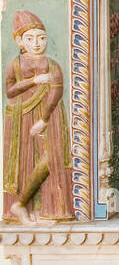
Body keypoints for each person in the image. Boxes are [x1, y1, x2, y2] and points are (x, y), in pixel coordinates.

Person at [3, 11, 74, 223]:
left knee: (53, 156)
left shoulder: (52, 64)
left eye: (41, 38)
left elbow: (56, 91)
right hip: (20, 116)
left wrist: (43, 120)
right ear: (19, 41)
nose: (36, 43)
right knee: (25, 160)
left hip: (49, 116)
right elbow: (10, 91)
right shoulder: (15, 64)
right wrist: (34, 80)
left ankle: (40, 207)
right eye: (30, 38)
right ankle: (24, 207)